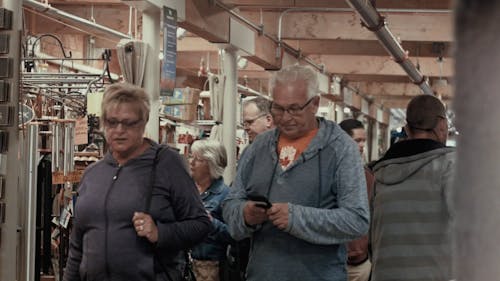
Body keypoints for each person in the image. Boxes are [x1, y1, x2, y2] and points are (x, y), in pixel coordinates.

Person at [222, 64, 370, 281]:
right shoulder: (258, 147)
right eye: (278, 108)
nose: (285, 117)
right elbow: (230, 203)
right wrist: (245, 214)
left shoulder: (341, 149)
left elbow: (357, 220)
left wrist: (295, 217)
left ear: (315, 104)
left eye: (294, 108)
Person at [63, 83, 212, 281]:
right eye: (112, 122)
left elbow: (201, 225)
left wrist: (161, 232)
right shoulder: (93, 174)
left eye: (128, 123)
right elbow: (77, 246)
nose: (119, 130)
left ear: (143, 123)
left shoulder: (166, 164)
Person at [370, 94, 455, 281]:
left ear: (407, 129)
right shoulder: (450, 165)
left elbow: (370, 237)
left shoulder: (379, 173)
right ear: (442, 125)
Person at [189, 140, 233, 281]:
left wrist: (210, 222)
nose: (191, 162)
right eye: (191, 156)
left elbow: (234, 234)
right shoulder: (186, 190)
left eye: (198, 159)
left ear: (211, 164)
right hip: (182, 262)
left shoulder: (226, 195)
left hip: (208, 267)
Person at [339, 119, 374, 281]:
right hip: (333, 261)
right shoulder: (327, 174)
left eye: (363, 141)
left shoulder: (368, 176)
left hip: (360, 263)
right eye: (357, 141)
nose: (361, 146)